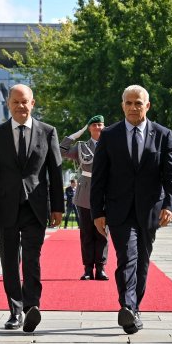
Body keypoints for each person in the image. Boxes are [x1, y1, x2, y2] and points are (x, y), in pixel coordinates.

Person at [91, 85, 172, 334]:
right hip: (119, 211)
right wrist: (97, 211)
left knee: (142, 261)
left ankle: (135, 309)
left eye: (138, 103)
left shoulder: (163, 135)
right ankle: (127, 307)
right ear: (122, 106)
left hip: (150, 211)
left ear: (147, 106)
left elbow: (171, 174)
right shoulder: (109, 135)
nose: (133, 107)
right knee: (127, 258)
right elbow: (98, 177)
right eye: (128, 103)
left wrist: (170, 205)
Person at [0, 84, 64, 332]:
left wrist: (57, 207)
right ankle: (14, 311)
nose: (20, 106)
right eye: (15, 102)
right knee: (9, 260)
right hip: (4, 207)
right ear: (8, 104)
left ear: (33, 103)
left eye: (24, 101)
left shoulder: (47, 132)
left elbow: (55, 173)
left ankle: (31, 307)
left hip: (35, 207)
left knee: (31, 259)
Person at [60, 115, 109, 280]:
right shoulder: (81, 147)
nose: (98, 128)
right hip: (86, 192)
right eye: (94, 125)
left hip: (105, 192)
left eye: (100, 125)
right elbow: (61, 151)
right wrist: (75, 135)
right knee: (87, 232)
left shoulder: (111, 144)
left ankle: (101, 268)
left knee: (102, 232)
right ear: (89, 128)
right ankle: (88, 268)